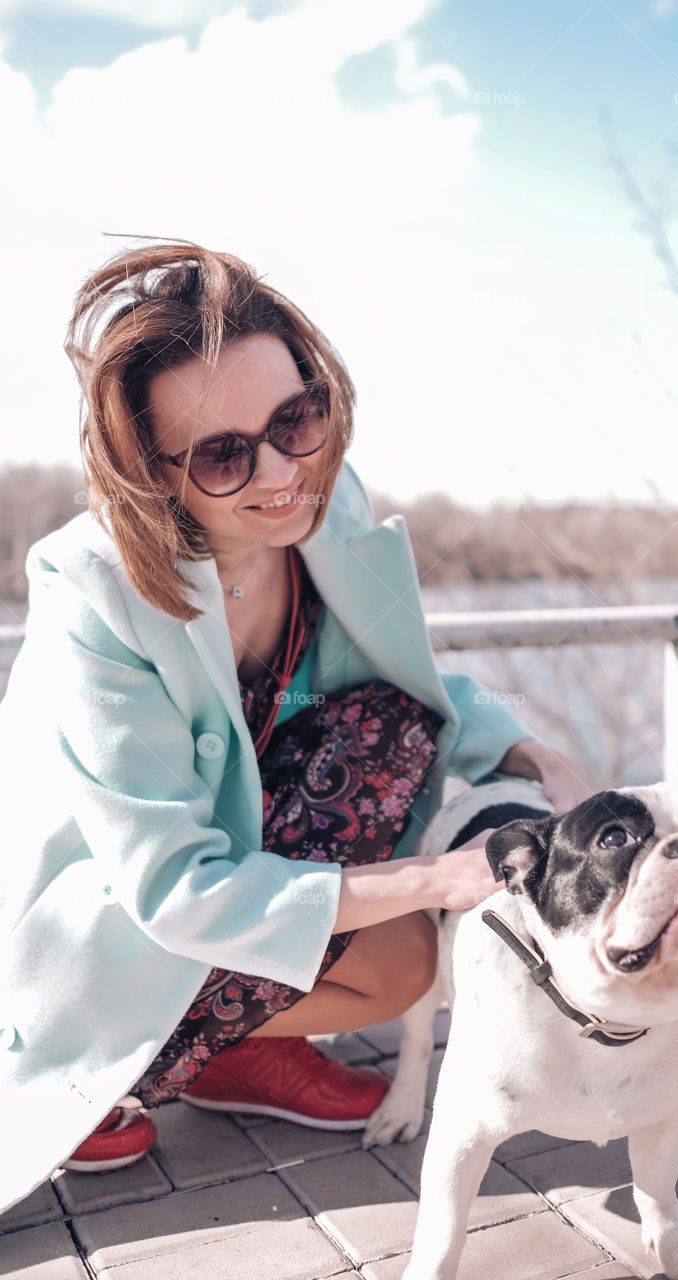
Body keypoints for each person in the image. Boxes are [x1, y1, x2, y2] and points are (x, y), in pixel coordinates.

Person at [0, 240, 585, 1213]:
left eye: (294, 418)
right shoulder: (92, 591)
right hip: (106, 917)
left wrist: (531, 747)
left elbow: (400, 680)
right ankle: (99, 1068)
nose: (280, 470)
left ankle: (233, 1053)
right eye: (225, 452)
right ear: (154, 471)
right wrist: (445, 875)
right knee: (403, 906)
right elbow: (170, 886)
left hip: (236, 869)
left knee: (405, 954)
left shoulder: (318, 505)